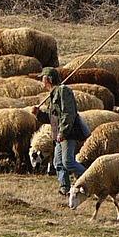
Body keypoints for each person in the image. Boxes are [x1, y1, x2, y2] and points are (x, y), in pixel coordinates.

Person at [35, 67, 87, 195]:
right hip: (58, 134)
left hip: (67, 133)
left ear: (48, 79)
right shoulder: (54, 93)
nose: (42, 80)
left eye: (43, 78)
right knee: (58, 162)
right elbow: (53, 118)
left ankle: (90, 179)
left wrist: (63, 133)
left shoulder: (63, 91)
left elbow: (68, 114)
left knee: (68, 161)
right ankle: (65, 189)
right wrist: (38, 114)